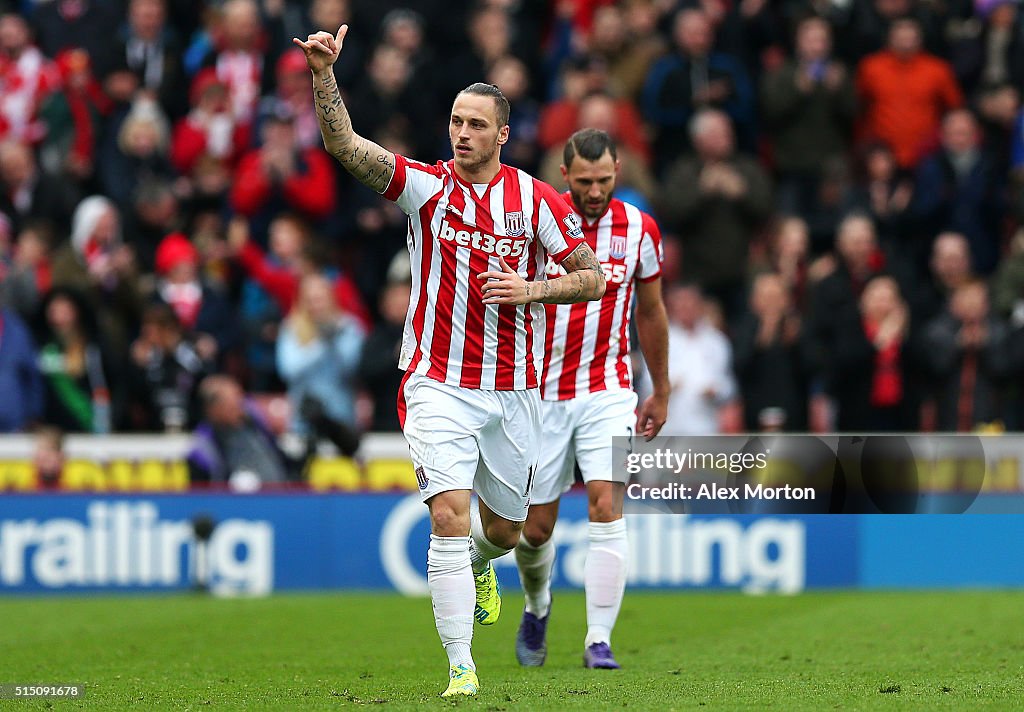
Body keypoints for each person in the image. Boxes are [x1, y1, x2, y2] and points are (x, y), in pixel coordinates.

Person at [293, 24, 605, 698]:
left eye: (475, 124)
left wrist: (534, 288)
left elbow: (593, 277)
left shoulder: (536, 201)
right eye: (456, 121)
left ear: (502, 134)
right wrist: (323, 73)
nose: (461, 133)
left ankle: (484, 563)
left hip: (513, 391)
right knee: (446, 516)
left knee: (505, 528)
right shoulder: (426, 189)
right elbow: (344, 145)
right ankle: (461, 666)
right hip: (436, 382)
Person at [512, 128, 668, 670]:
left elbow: (651, 311)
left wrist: (661, 388)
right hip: (540, 394)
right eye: (585, 181)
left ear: (618, 171)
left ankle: (597, 639)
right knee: (534, 529)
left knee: (605, 503)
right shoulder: (538, 223)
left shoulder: (640, 229)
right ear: (565, 176)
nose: (595, 191)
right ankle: (538, 605)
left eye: (604, 180)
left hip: (608, 388)